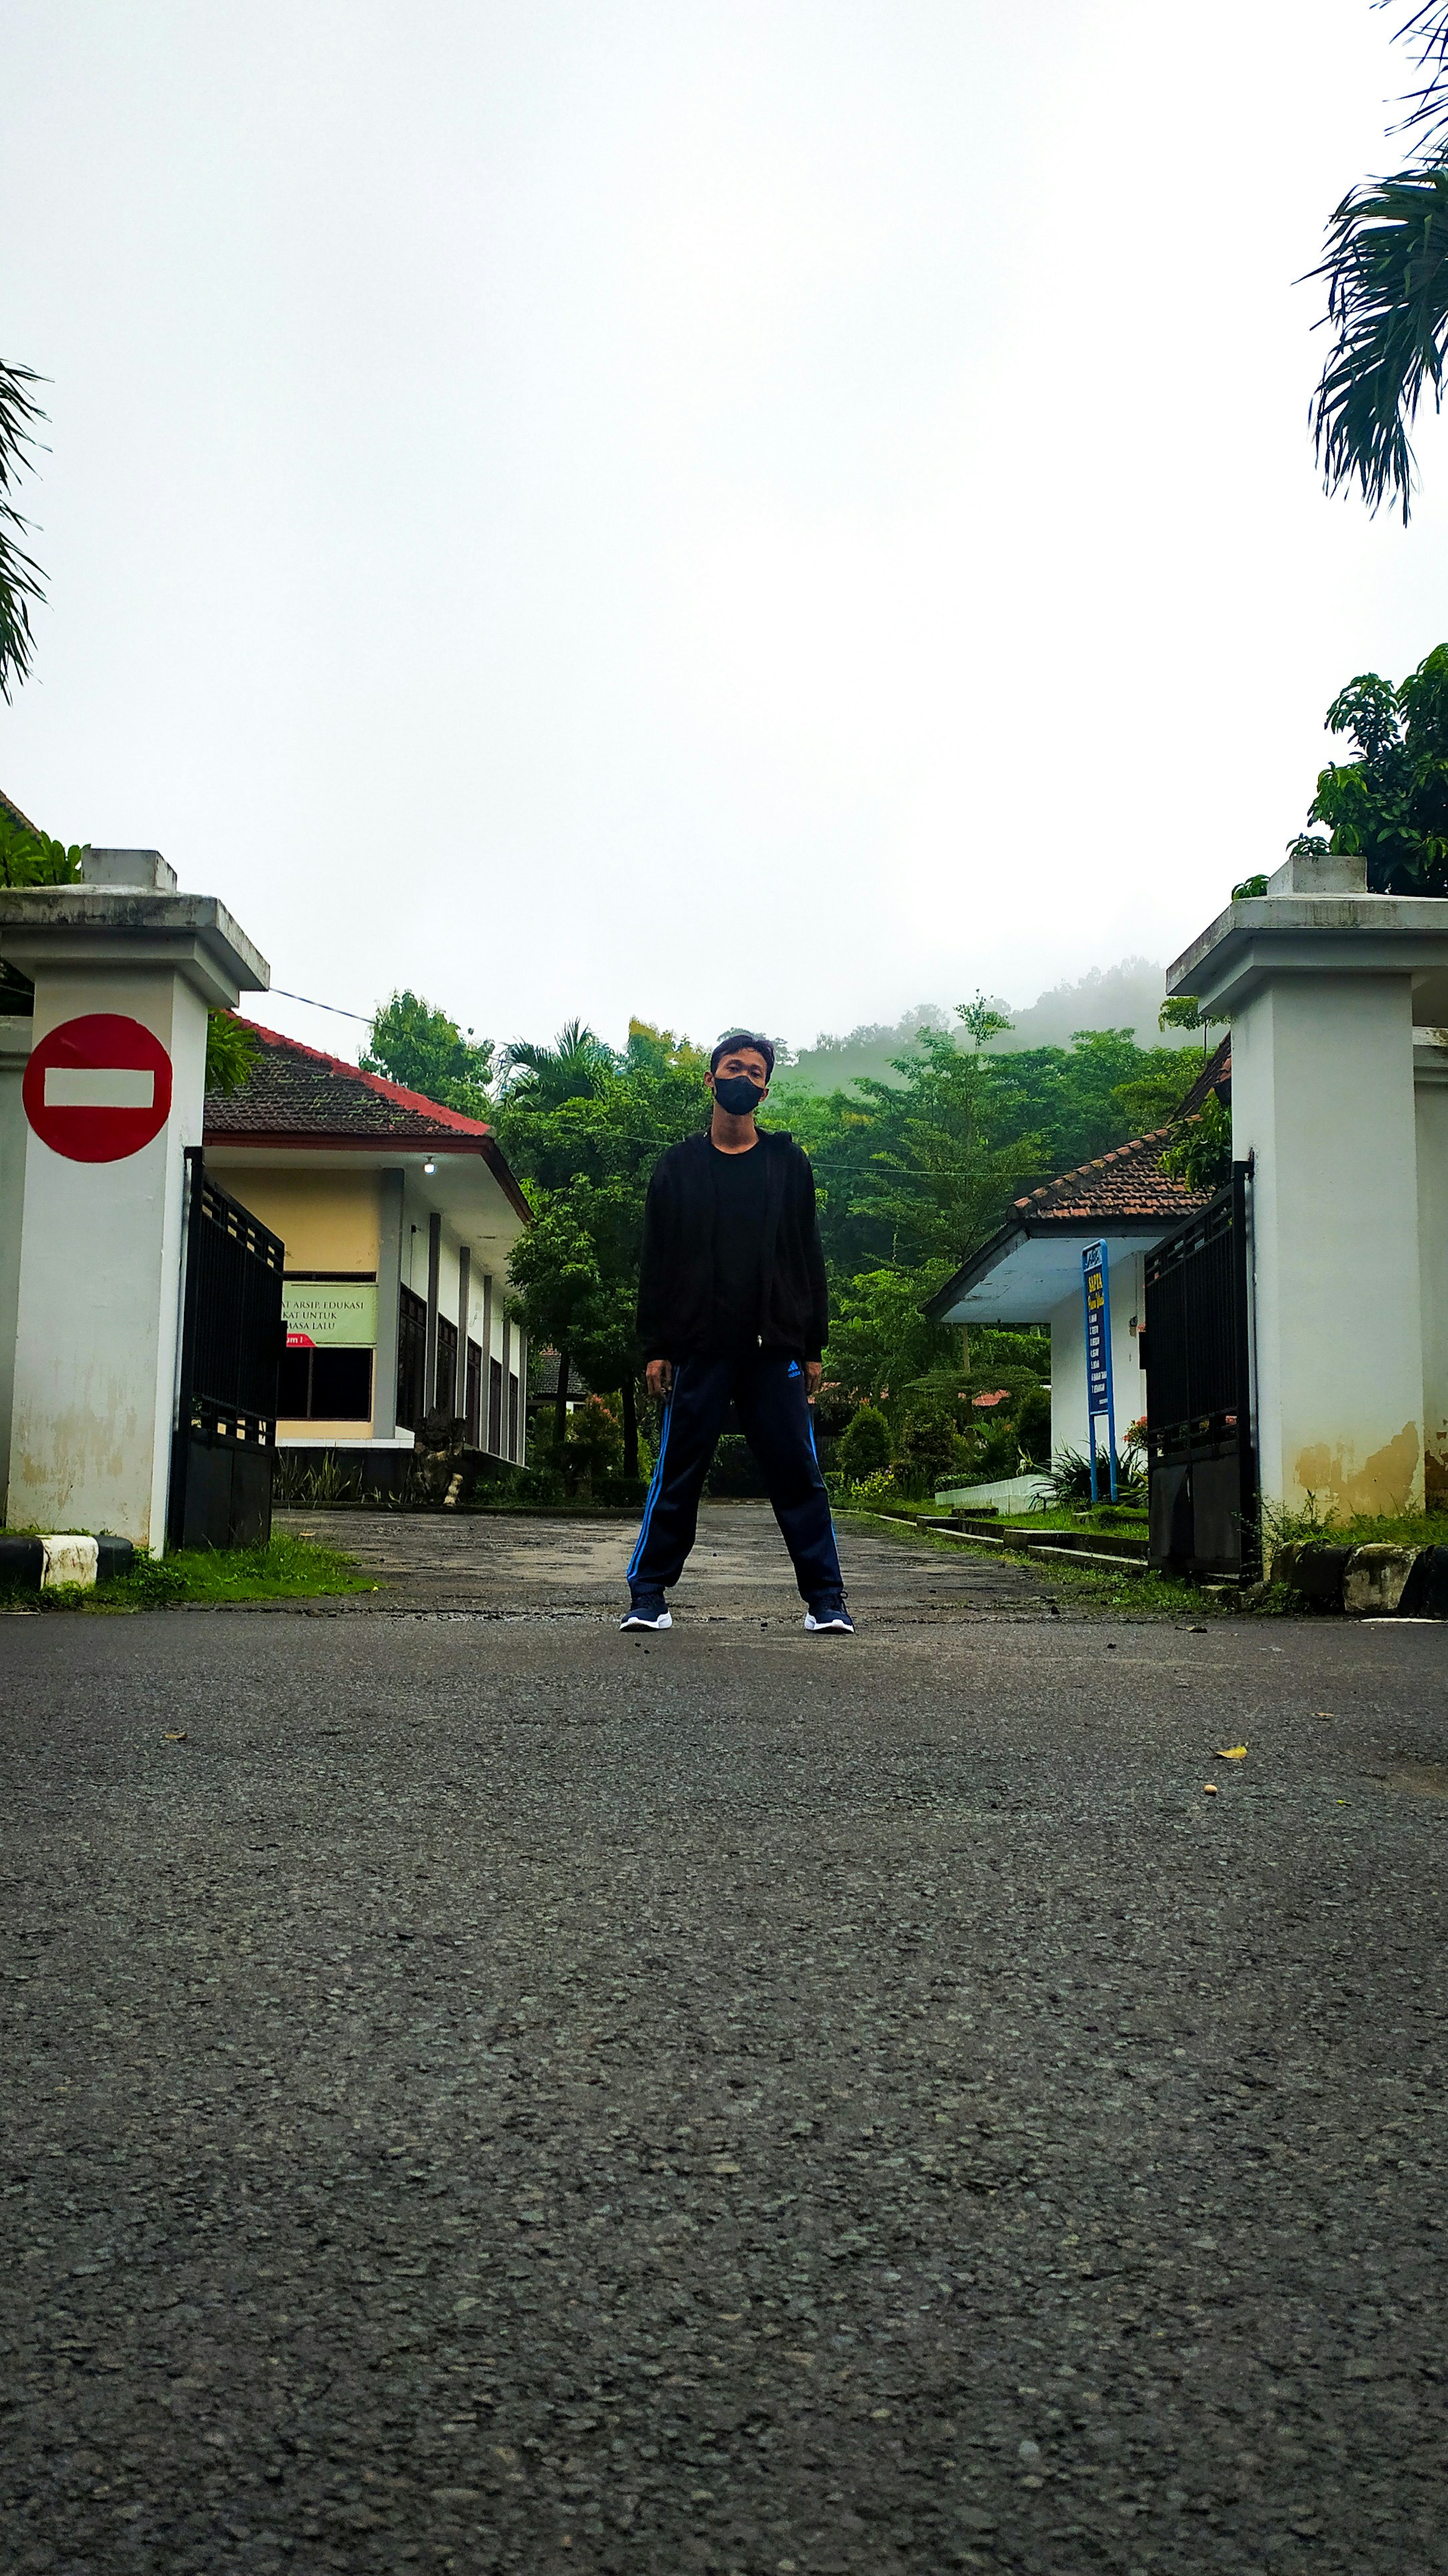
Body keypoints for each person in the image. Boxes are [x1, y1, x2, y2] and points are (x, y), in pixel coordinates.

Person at [621, 1030, 853, 1635]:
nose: (743, 1079)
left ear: (766, 1089)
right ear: (711, 1078)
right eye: (733, 1067)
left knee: (799, 1473)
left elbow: (808, 1256)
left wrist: (812, 1346)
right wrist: (656, 1347)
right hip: (699, 1345)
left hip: (773, 1347)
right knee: (678, 1469)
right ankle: (648, 1595)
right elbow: (657, 1263)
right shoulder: (675, 1168)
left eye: (755, 1072)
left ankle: (826, 1600)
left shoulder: (787, 1163)